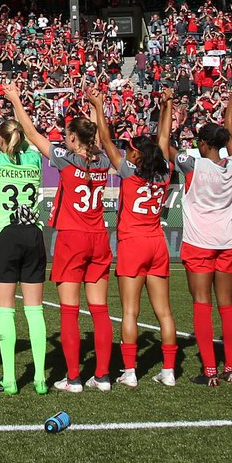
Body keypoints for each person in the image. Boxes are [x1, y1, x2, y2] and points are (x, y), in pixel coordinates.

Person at [4, 79, 115, 392]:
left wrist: (15, 99)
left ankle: (74, 377)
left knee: (69, 311)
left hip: (72, 237)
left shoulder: (66, 158)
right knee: (100, 310)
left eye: (67, 135)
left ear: (73, 138)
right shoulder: (104, 160)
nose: (63, 139)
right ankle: (103, 376)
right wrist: (97, 105)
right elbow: (96, 136)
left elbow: (31, 133)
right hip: (99, 236)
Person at [0, 85, 52, 395]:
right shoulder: (33, 159)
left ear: (2, 140)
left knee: (5, 311)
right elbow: (30, 134)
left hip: (5, 237)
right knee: (35, 311)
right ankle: (41, 379)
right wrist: (17, 100)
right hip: (33, 235)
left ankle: (9, 380)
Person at [97, 88, 178, 388]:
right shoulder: (163, 173)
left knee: (130, 311)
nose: (128, 150)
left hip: (133, 243)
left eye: (131, 148)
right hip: (157, 242)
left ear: (136, 155)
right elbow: (165, 140)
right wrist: (167, 106)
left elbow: (105, 141)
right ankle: (169, 371)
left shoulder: (130, 172)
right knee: (164, 312)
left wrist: (99, 104)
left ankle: (130, 371)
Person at [177, 85, 232, 385]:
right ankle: (231, 368)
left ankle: (209, 371)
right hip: (227, 241)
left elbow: (169, 146)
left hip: (198, 243)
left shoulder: (193, 165)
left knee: (202, 304)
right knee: (227, 305)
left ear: (203, 143)